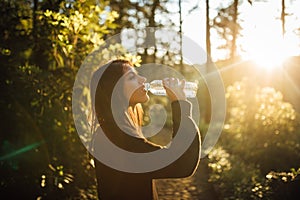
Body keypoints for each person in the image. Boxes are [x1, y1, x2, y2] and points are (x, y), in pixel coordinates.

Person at [90, 59, 201, 200]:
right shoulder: (117, 139)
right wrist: (179, 104)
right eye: (132, 77)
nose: (142, 79)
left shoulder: (111, 132)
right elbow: (182, 163)